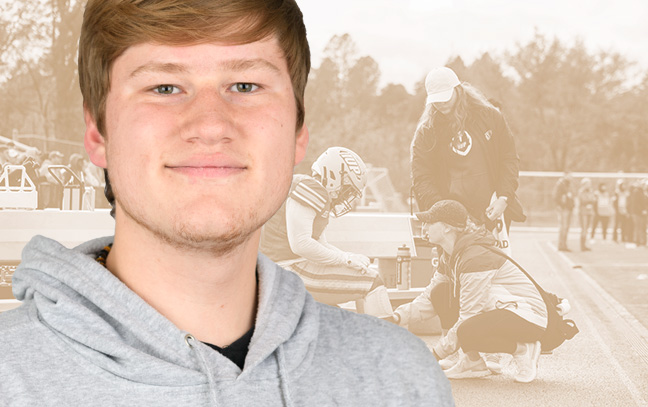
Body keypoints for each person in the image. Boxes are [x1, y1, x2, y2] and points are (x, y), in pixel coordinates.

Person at [0, 1, 454, 405]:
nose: (211, 125)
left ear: (299, 132)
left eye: (245, 85)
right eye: (164, 87)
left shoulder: (399, 380)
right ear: (98, 133)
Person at [402, 200, 548, 383]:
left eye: (430, 222)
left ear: (447, 228)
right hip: (500, 309)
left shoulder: (475, 257)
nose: (425, 227)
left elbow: (468, 316)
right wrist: (397, 317)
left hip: (528, 317)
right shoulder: (450, 254)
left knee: (467, 330)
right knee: (441, 292)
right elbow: (429, 297)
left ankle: (523, 348)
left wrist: (434, 354)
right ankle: (472, 362)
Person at [260, 147, 393, 317]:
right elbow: (300, 244)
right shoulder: (312, 188)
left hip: (280, 269)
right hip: (287, 270)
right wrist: (344, 259)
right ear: (335, 175)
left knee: (344, 305)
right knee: (372, 281)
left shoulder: (308, 187)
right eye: (347, 188)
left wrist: (349, 260)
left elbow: (320, 243)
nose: (345, 195)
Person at [410, 66, 526, 234]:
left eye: (445, 97)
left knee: (491, 260)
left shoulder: (490, 117)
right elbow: (421, 178)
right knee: (458, 261)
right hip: (451, 223)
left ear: (458, 90)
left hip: (493, 213)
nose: (441, 104)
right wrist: (444, 213)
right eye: (436, 99)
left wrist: (503, 198)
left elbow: (509, 159)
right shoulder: (427, 132)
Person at [553, 173, 574, 251]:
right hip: (563, 208)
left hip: (568, 208)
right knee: (563, 227)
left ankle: (564, 244)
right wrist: (559, 205)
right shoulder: (560, 184)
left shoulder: (569, 185)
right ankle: (561, 245)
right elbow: (556, 196)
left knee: (566, 227)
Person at [577, 178, 596, 251]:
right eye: (588, 184)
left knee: (587, 229)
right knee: (584, 229)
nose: (589, 185)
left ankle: (584, 245)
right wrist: (589, 202)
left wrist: (591, 201)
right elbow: (583, 200)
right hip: (583, 212)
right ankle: (582, 246)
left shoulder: (591, 191)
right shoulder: (581, 191)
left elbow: (593, 199)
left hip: (589, 212)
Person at [612, 179, 632, 244]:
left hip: (624, 211)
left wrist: (626, 210)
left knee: (624, 225)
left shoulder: (626, 193)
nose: (624, 186)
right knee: (616, 225)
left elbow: (628, 202)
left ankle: (623, 238)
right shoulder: (617, 193)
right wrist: (617, 210)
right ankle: (614, 238)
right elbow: (615, 202)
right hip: (618, 211)